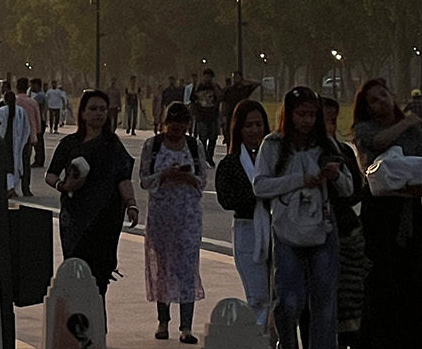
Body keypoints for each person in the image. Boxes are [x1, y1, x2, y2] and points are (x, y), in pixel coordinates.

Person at [253, 86, 351, 349]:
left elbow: (349, 188)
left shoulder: (326, 144)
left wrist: (335, 176)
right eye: (301, 114)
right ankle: (286, 343)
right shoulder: (273, 144)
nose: (307, 120)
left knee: (324, 302)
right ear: (289, 114)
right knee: (288, 300)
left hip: (322, 227)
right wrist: (299, 180)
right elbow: (260, 186)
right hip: (286, 228)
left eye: (311, 114)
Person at [351, 77, 422, 349]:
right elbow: (376, 150)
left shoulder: (417, 133)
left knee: (415, 291)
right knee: (380, 292)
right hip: (378, 220)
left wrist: (421, 188)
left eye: (384, 94)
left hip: (410, 217)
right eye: (374, 99)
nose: (382, 101)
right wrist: (405, 122)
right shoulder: (365, 129)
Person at [46, 90, 138, 300]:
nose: (98, 114)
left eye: (103, 110)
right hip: (75, 217)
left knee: (99, 276)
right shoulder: (70, 144)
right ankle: (75, 321)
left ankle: (97, 323)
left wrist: (131, 204)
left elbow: (123, 178)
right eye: (93, 109)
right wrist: (64, 186)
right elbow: (50, 175)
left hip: (105, 218)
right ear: (84, 113)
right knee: (76, 269)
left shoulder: (112, 145)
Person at [140, 101, 206, 342]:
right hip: (161, 216)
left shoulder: (194, 145)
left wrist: (187, 177)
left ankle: (186, 326)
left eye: (182, 125)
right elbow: (144, 180)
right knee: (162, 268)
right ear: (165, 124)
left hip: (188, 216)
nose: (177, 130)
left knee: (187, 268)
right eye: (172, 125)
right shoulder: (153, 145)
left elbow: (203, 181)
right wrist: (164, 175)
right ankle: (163, 321)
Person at [214, 99, 271, 330]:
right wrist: (259, 195)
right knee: (257, 296)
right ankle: (259, 339)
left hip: (277, 228)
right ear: (238, 128)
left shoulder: (277, 159)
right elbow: (227, 199)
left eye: (259, 125)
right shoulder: (230, 164)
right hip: (248, 230)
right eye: (249, 126)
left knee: (280, 296)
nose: (255, 130)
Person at [321, 96, 368, 346]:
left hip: (345, 231)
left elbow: (354, 192)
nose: (328, 126)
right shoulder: (293, 152)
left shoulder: (344, 152)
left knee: (349, 299)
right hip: (310, 233)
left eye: (332, 120)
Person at [0, 82, 31, 199]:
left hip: (5, 143)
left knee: (7, 167)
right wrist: (24, 141)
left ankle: (10, 188)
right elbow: (27, 129)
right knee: (15, 166)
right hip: (17, 143)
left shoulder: (1, 111)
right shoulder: (20, 111)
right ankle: (11, 188)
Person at [189, 69, 223, 166]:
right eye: (206, 77)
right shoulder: (199, 87)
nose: (207, 79)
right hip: (201, 116)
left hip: (212, 115)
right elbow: (192, 99)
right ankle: (203, 156)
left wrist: (214, 86)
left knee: (213, 137)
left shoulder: (215, 87)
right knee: (202, 138)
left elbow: (220, 97)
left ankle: (209, 156)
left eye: (209, 77)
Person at [17, 80, 44, 193]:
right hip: (28, 135)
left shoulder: (14, 101)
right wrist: (37, 134)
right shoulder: (32, 102)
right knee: (26, 162)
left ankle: (11, 186)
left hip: (16, 134)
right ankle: (26, 188)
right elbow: (38, 120)